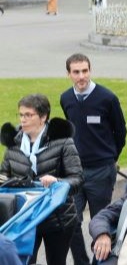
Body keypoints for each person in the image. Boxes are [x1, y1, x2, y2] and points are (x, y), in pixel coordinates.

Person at [60, 53, 127, 265]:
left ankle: (102, 262)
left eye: (85, 71)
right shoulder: (66, 98)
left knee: (101, 223)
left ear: (90, 70)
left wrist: (109, 157)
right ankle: (82, 262)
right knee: (70, 221)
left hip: (101, 171)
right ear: (69, 74)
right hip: (75, 173)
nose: (81, 76)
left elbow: (120, 132)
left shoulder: (107, 98)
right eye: (76, 72)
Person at [1, 95, 83, 265]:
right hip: (25, 218)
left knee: (57, 262)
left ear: (43, 117)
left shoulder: (63, 142)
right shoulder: (13, 145)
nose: (23, 120)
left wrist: (57, 181)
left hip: (59, 218)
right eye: (21, 115)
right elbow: (4, 177)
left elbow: (77, 179)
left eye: (28, 115)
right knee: (23, 262)